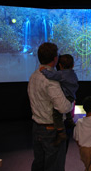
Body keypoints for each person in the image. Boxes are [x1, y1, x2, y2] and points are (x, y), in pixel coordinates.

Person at [27, 42, 73, 171]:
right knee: (54, 166)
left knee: (39, 164)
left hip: (37, 127)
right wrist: (71, 102)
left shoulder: (33, 76)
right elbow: (63, 107)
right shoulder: (51, 80)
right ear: (55, 59)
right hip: (52, 130)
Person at [40, 54, 79, 145]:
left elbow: (51, 75)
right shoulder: (73, 74)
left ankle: (60, 132)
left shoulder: (61, 74)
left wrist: (43, 70)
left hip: (66, 95)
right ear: (73, 65)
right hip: (72, 96)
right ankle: (70, 121)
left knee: (57, 113)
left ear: (60, 65)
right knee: (68, 109)